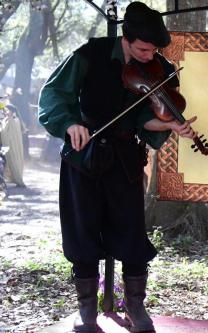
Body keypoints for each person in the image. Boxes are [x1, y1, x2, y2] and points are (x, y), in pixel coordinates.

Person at [38, 2, 196, 332]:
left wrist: (168, 125)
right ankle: (87, 312)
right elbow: (54, 94)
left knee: (131, 231)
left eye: (154, 49)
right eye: (142, 48)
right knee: (82, 233)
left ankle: (136, 308)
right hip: (85, 153)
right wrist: (69, 124)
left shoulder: (161, 70)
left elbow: (145, 121)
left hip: (125, 159)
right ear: (125, 38)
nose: (149, 55)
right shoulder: (90, 54)